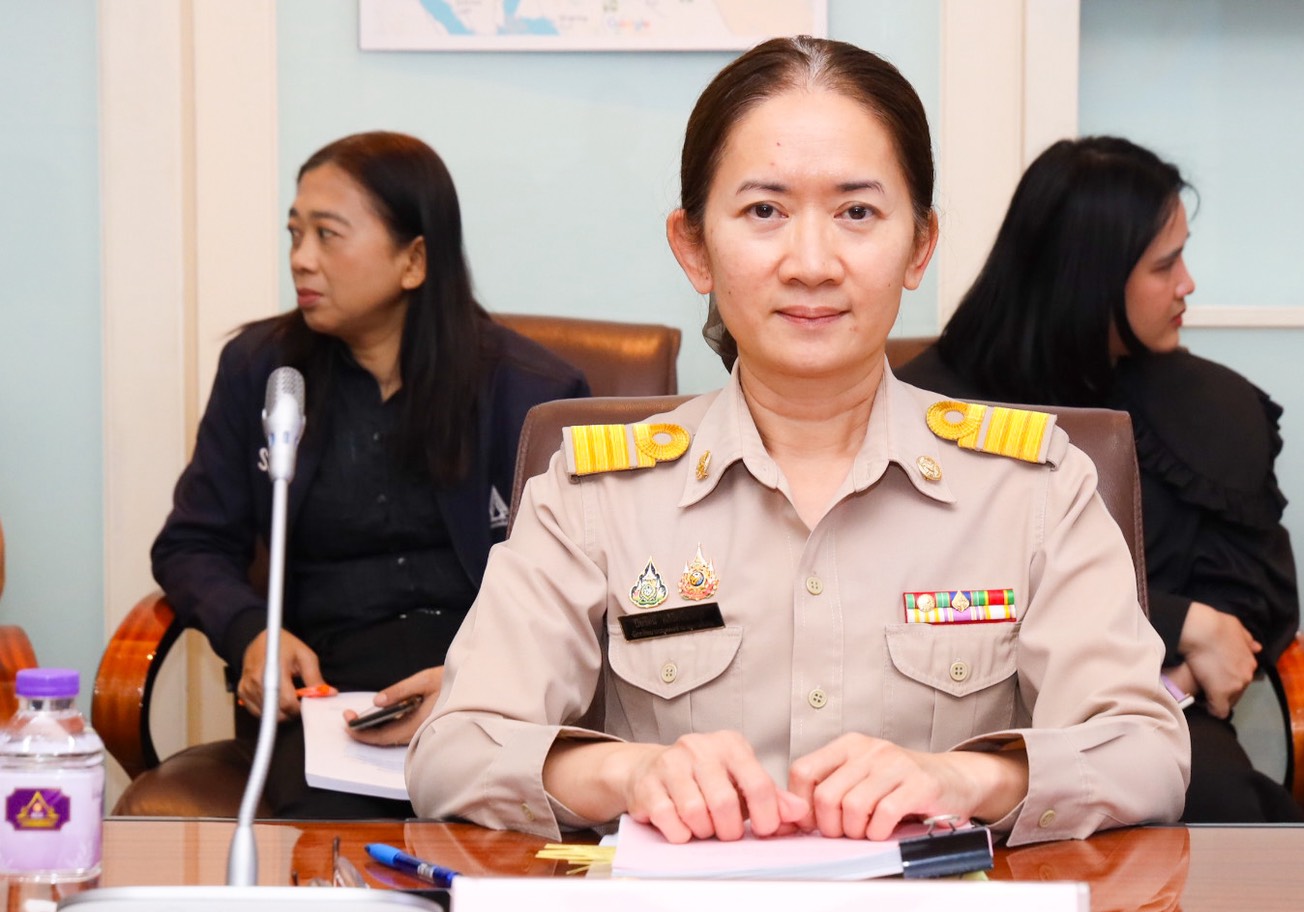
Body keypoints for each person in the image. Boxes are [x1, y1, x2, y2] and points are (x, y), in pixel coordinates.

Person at [406, 37, 1188, 845]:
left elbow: (1146, 750)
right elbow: (453, 751)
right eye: (763, 212)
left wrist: (966, 777)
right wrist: (629, 773)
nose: (811, 263)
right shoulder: (595, 495)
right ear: (693, 247)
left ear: (919, 244)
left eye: (857, 213)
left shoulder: (1031, 486)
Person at [151, 131, 589, 818]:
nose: (301, 258)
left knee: (496, 821)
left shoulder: (530, 391)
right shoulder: (263, 370)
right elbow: (192, 543)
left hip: (481, 684)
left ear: (414, 260)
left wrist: (476, 682)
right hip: (326, 692)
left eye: (328, 235)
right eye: (295, 233)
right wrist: (251, 632)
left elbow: (584, 578)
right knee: (325, 837)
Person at [899, 136, 1304, 823]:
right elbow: (916, 590)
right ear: (1087, 279)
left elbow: (1255, 601)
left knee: (1218, 800)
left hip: (1144, 707)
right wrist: (1183, 621)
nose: (1187, 284)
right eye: (1164, 265)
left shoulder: (1212, 406)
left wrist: (1177, 677)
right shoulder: (925, 408)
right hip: (953, 706)